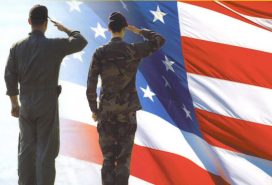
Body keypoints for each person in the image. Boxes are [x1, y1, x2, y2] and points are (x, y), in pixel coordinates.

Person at [4, 4, 87, 185]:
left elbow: (9, 76)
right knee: (46, 152)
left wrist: (14, 103)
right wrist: (65, 28)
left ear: (29, 22)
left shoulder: (16, 47)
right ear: (46, 24)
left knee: (26, 150)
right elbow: (81, 41)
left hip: (26, 105)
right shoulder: (54, 46)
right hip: (47, 105)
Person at [86, 12, 165, 185]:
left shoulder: (99, 53)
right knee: (123, 159)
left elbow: (91, 86)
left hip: (106, 113)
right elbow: (159, 40)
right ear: (123, 29)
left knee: (108, 159)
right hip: (127, 113)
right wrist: (139, 31)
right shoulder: (133, 50)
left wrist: (94, 110)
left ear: (108, 29)